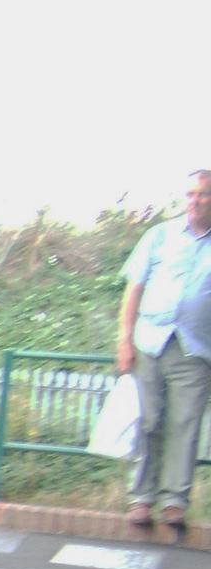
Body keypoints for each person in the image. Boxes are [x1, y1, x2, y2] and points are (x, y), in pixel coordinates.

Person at [118, 170, 211, 529]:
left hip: (195, 350)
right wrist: (124, 340)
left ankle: (175, 501)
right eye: (189, 194)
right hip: (149, 342)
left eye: (202, 195)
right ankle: (141, 498)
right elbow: (134, 289)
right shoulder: (159, 235)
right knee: (148, 419)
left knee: (185, 425)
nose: (194, 201)